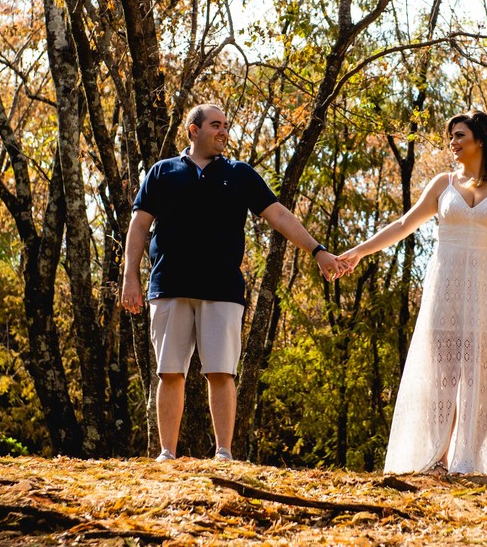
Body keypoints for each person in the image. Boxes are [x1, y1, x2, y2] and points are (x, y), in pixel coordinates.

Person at [121, 103, 342, 462]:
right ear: (193, 131)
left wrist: (317, 250)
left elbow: (279, 215)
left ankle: (223, 452)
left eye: (226, 125)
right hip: (169, 285)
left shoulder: (240, 174)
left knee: (221, 372)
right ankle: (166, 453)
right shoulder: (162, 172)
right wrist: (130, 275)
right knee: (170, 372)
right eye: (215, 125)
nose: (223, 131)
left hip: (222, 288)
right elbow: (139, 225)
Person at [338, 110, 487, 475]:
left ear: (481, 140)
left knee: (482, 380)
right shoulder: (443, 184)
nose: (452, 143)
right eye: (451, 137)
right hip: (446, 287)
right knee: (444, 376)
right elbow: (404, 224)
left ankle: (469, 457)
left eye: (459, 136)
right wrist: (360, 251)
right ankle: (437, 458)